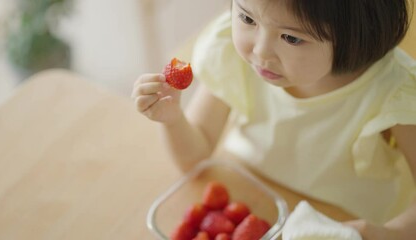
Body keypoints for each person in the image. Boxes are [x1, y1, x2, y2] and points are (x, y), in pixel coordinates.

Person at [132, 0, 416, 239]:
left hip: (343, 224)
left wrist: (386, 232)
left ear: (358, 35)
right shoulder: (233, 55)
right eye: (246, 18)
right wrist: (172, 119)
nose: (260, 51)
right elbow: (195, 159)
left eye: (291, 38)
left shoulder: (394, 91)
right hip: (251, 199)